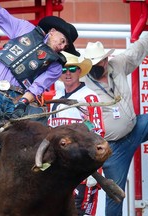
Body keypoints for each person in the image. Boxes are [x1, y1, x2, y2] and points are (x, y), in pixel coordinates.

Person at [0, 0, 80, 212]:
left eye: (65, 46)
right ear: (52, 32)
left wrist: (23, 102)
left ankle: (42, 182)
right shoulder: (23, 29)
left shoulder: (55, 65)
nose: (62, 46)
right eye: (62, 41)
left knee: (40, 133)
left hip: (17, 99)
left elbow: (37, 87)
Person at [81, 23, 148, 216]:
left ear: (105, 59)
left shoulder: (117, 65)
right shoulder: (84, 84)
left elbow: (140, 48)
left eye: (98, 62)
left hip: (135, 128)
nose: (96, 67)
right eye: (92, 64)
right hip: (112, 146)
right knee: (115, 195)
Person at [48, 51, 105, 216]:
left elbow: (98, 132)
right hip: (61, 170)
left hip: (83, 169)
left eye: (72, 69)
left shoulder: (89, 97)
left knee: (81, 212)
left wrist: (93, 168)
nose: (67, 73)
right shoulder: (57, 97)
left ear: (79, 71)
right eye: (64, 69)